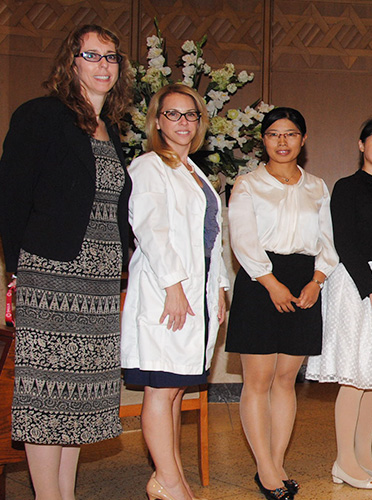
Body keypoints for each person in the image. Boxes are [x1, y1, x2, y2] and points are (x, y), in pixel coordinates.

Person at [0, 24, 133, 500]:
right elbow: (11, 199)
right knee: (45, 394)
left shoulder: (111, 129)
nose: (103, 65)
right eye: (91, 55)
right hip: (51, 272)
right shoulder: (39, 115)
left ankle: (64, 494)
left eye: (111, 57)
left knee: (78, 396)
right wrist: (22, 269)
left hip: (98, 279)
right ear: (71, 62)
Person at [122, 84, 228, 500]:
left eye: (190, 115)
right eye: (173, 114)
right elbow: (151, 230)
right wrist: (173, 287)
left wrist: (218, 288)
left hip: (196, 289)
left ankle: (172, 477)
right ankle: (167, 482)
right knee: (161, 388)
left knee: (177, 389)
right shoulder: (149, 166)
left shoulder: (193, 171)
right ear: (157, 121)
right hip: (167, 290)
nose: (182, 123)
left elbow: (212, 238)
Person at [227, 107, 338, 500]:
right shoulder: (247, 183)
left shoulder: (317, 186)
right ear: (264, 139)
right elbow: (241, 238)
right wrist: (270, 282)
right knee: (257, 381)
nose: (282, 141)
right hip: (260, 281)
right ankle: (266, 468)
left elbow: (329, 241)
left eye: (290, 134)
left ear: (303, 139)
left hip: (305, 280)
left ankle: (275, 462)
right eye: (274, 134)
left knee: (286, 380)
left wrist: (318, 280)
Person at [305, 119, 372, 490]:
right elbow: (345, 243)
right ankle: (344, 462)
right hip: (355, 284)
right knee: (354, 374)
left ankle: (364, 456)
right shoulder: (346, 188)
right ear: (361, 145)